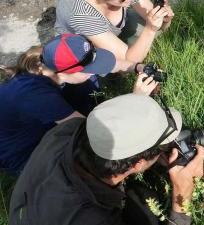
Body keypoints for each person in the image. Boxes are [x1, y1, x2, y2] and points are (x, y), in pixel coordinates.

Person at [9, 93, 204, 225]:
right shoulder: (92, 218)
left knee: (140, 198)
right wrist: (182, 195)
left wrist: (153, 154)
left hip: (32, 206)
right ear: (138, 164)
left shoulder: (65, 132)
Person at [0, 34, 158, 176]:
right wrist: (136, 100)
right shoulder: (38, 97)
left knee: (87, 83)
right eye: (89, 70)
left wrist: (137, 67)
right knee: (98, 156)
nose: (95, 71)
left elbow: (106, 63)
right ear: (62, 73)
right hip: (25, 156)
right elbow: (96, 134)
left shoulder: (50, 59)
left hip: (38, 123)